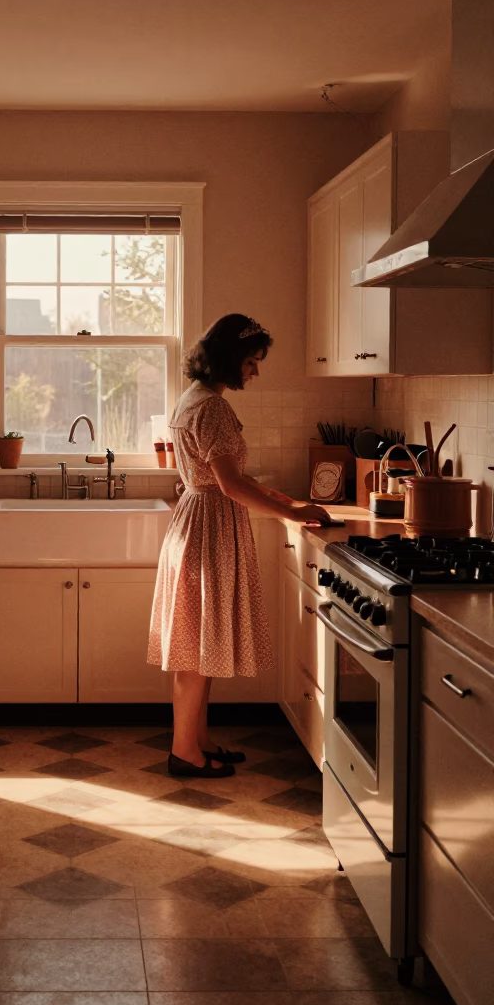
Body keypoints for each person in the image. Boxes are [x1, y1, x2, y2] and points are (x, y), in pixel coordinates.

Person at [147, 313, 333, 778]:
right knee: (195, 647)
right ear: (230, 359)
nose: (255, 370)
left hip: (196, 522)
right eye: (251, 360)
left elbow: (224, 476)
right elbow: (229, 484)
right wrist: (290, 513)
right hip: (209, 527)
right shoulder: (213, 408)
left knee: (198, 643)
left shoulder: (193, 399)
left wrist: (284, 499)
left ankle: (196, 741)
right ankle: (184, 754)